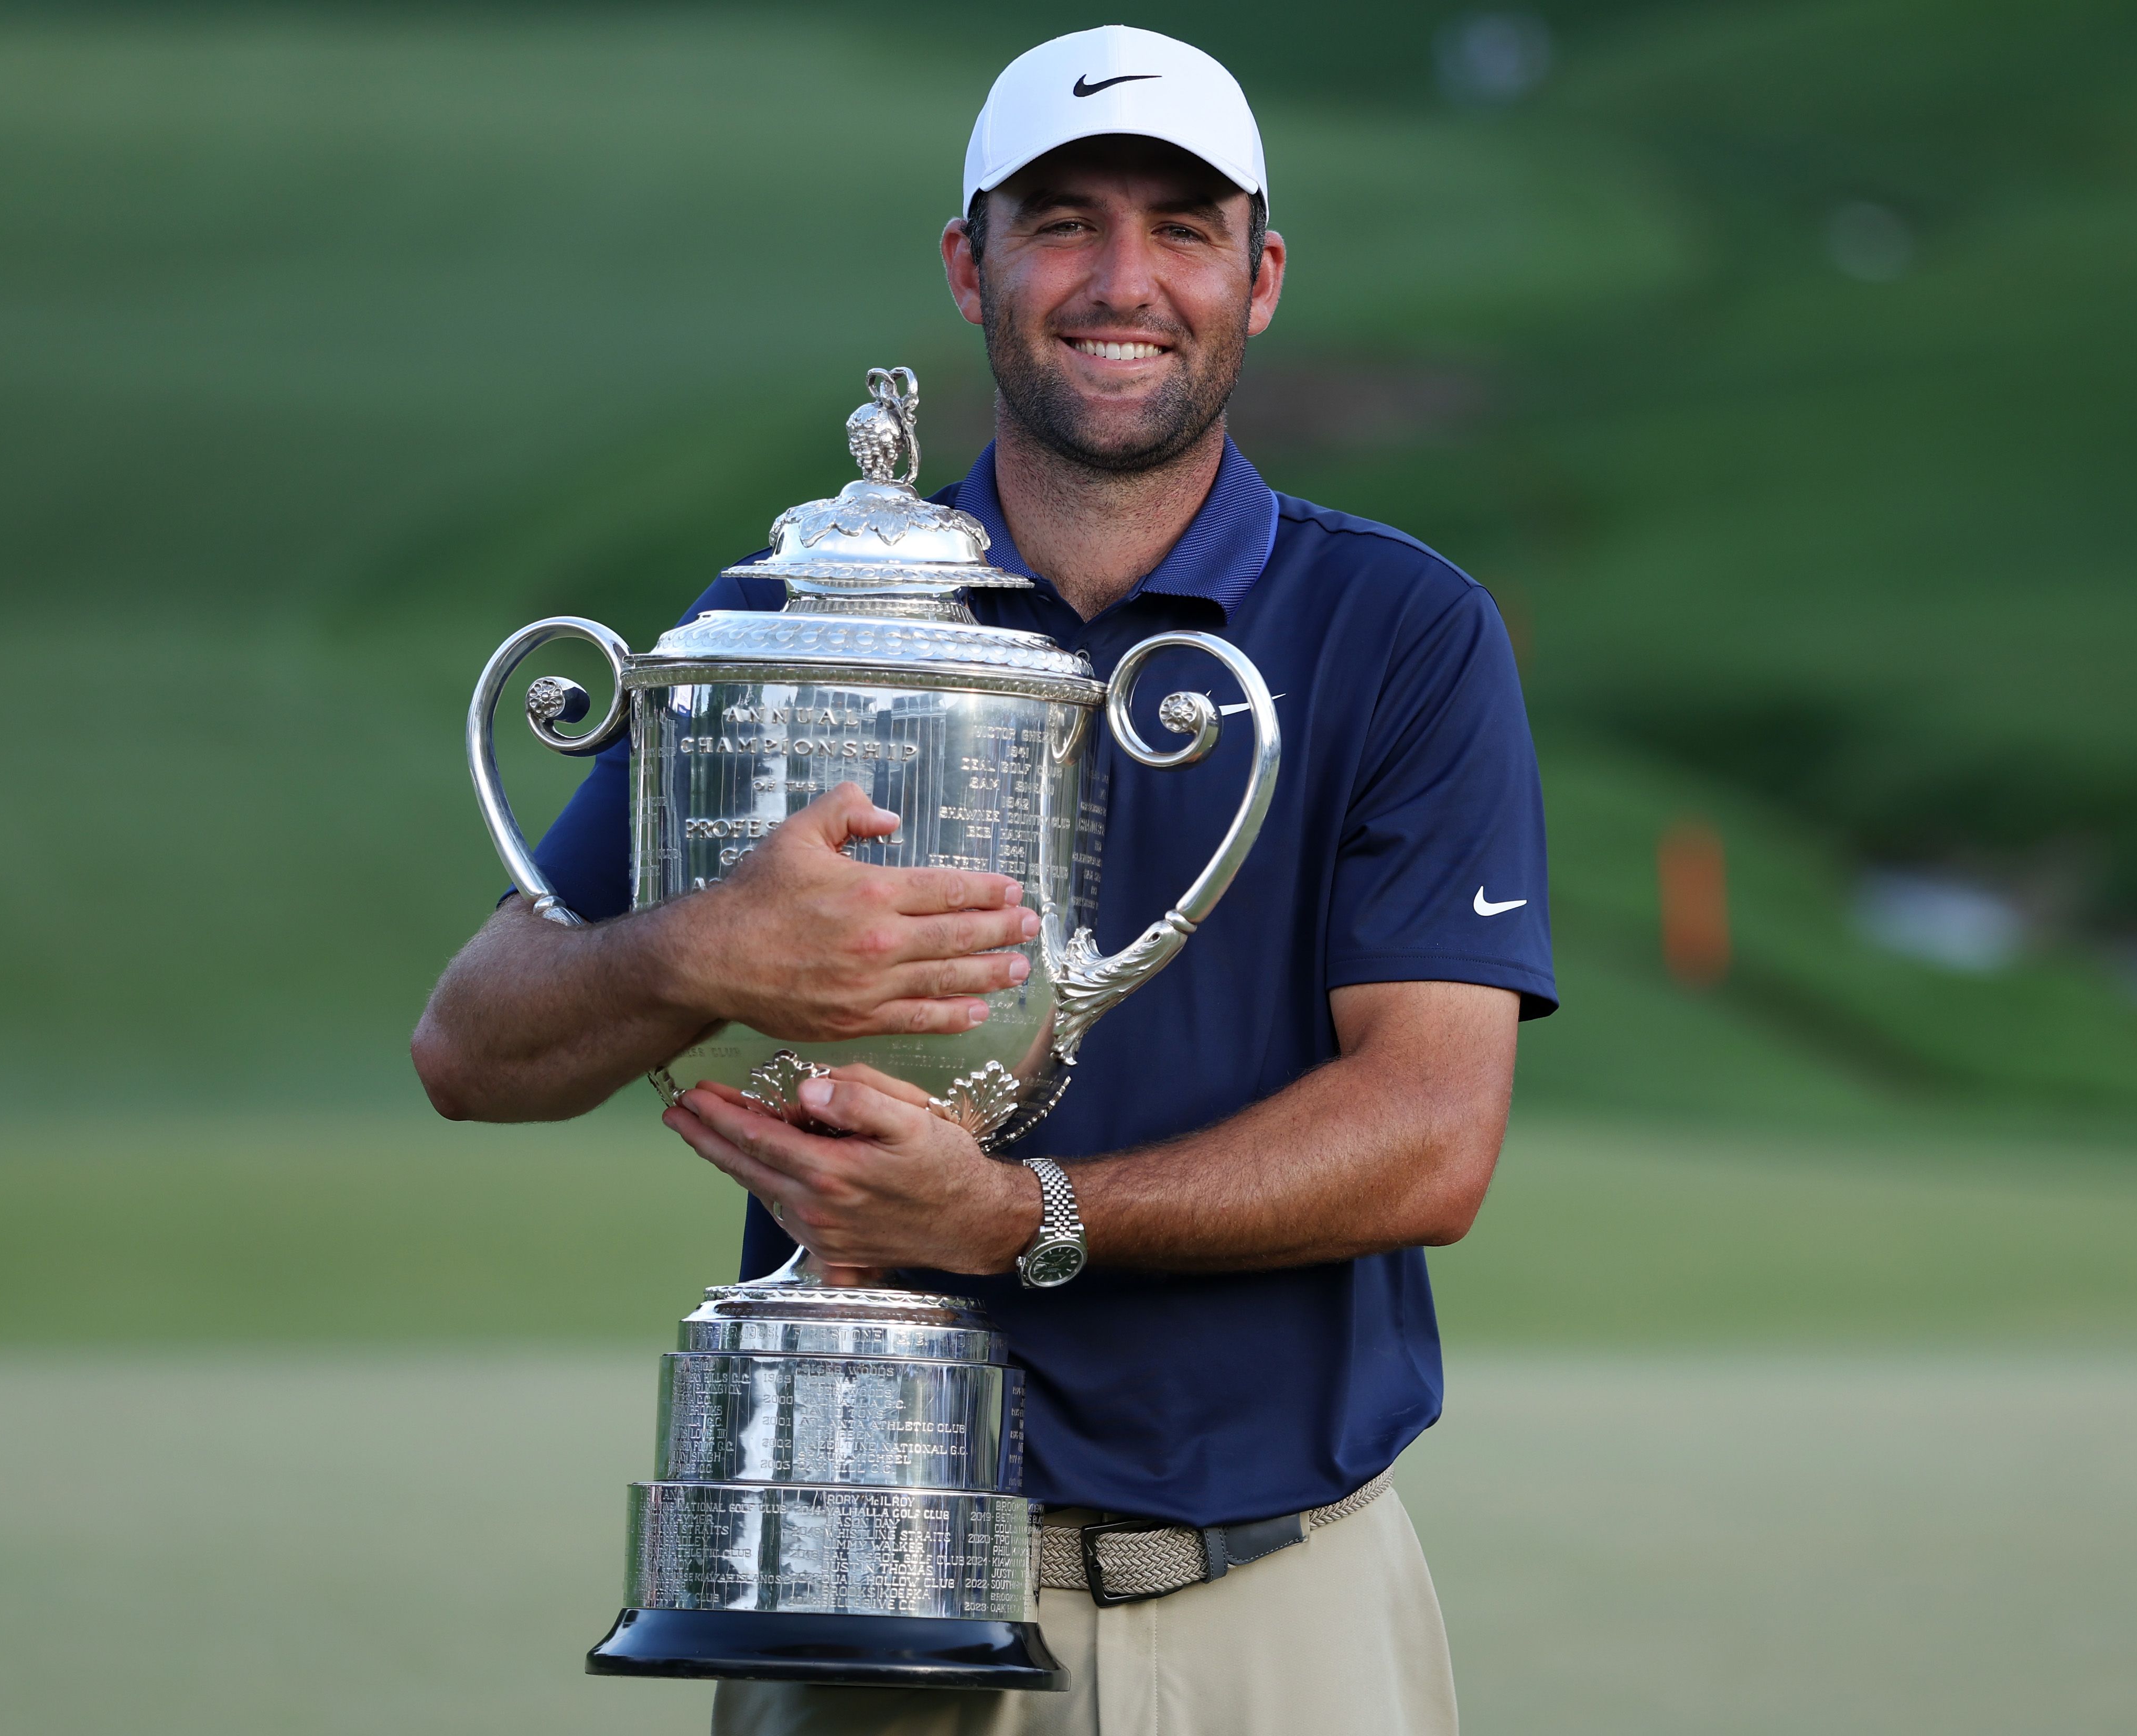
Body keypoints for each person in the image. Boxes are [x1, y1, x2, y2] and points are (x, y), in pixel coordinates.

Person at [413, 25, 1554, 1736]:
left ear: (1261, 277)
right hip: (856, 1592)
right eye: (1062, 220)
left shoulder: (1400, 629)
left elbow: (1433, 1130)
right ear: (972, 264)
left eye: (1182, 227)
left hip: (1278, 1607)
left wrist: (1021, 1219)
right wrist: (705, 946)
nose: (1122, 280)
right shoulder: (800, 621)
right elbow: (475, 1047)